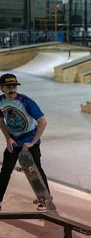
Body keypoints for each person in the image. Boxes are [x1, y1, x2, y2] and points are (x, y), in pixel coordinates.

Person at [0, 73, 49, 212]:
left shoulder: (26, 102)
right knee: (5, 171)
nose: (12, 90)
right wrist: (8, 138)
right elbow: (1, 122)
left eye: (14, 86)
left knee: (36, 170)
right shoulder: (0, 102)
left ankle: (45, 199)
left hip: (30, 139)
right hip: (14, 141)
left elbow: (42, 122)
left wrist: (33, 142)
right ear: (1, 88)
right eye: (8, 87)